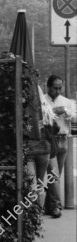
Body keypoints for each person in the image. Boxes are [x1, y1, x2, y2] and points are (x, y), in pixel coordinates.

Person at [44, 75, 76, 218]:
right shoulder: (43, 100)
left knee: (55, 175)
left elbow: (74, 118)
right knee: (54, 175)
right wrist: (53, 112)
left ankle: (48, 205)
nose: (58, 91)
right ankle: (56, 206)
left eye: (60, 88)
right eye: (55, 88)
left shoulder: (66, 101)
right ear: (48, 87)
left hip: (63, 140)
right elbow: (41, 119)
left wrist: (68, 113)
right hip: (50, 140)